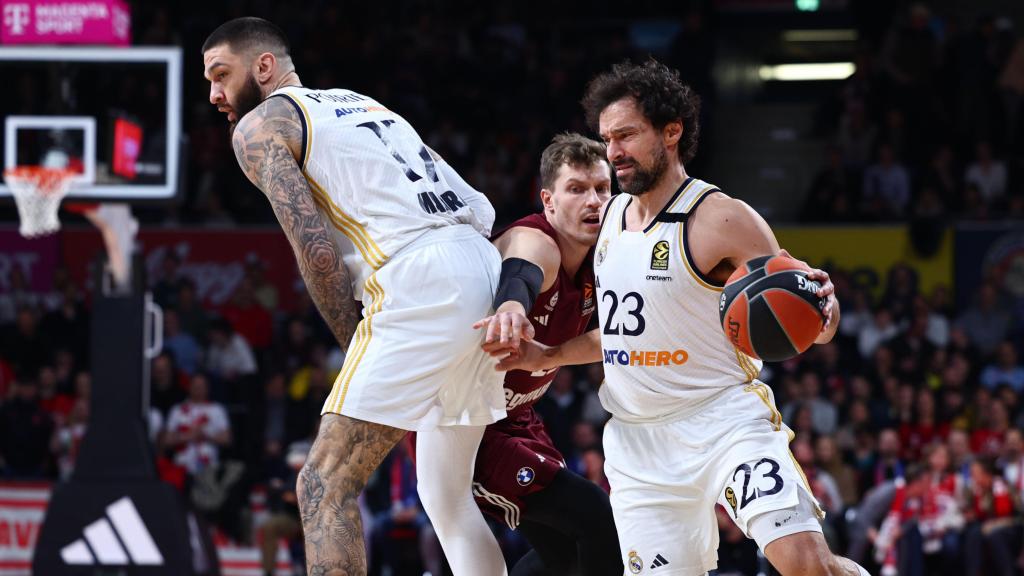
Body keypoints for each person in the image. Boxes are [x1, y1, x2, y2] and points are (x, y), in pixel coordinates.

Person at [495, 59, 869, 576]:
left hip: (723, 422)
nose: (614, 152)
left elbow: (805, 309)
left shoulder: (721, 217)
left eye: (626, 135)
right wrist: (552, 354)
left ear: (672, 132)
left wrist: (824, 311)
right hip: (638, 443)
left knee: (805, 565)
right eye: (607, 138)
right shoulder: (608, 224)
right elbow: (624, 334)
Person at [203, 17, 507, 576]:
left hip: (418, 281)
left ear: (263, 67)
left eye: (222, 75)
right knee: (446, 496)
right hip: (481, 267)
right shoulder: (361, 104)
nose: (216, 95)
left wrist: (358, 344)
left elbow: (314, 251)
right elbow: (479, 209)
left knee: (324, 483)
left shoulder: (259, 127)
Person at [471, 133, 621, 575]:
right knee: (594, 512)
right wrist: (513, 307)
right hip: (468, 424)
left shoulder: (607, 255)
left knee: (565, 556)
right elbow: (521, 268)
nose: (593, 201)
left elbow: (620, 337)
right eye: (576, 189)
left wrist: (548, 354)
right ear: (549, 200)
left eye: (602, 188)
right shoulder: (538, 239)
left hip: (519, 419)